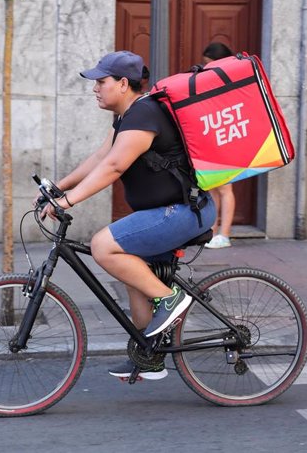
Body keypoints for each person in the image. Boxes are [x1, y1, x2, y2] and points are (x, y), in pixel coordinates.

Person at [38, 51, 216, 380]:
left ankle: (170, 298)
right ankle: (150, 357)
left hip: (182, 212)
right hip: (165, 211)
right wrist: (58, 188)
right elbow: (100, 157)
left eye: (101, 81)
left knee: (103, 246)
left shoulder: (145, 114)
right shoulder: (125, 117)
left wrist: (69, 202)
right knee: (133, 274)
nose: (95, 88)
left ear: (123, 84)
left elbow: (114, 166)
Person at [201, 42, 236, 249]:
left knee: (225, 188)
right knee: (215, 187)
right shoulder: (219, 79)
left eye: (208, 63)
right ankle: (214, 231)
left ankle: (225, 234)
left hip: (226, 138)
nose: (205, 67)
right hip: (216, 137)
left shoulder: (228, 79)